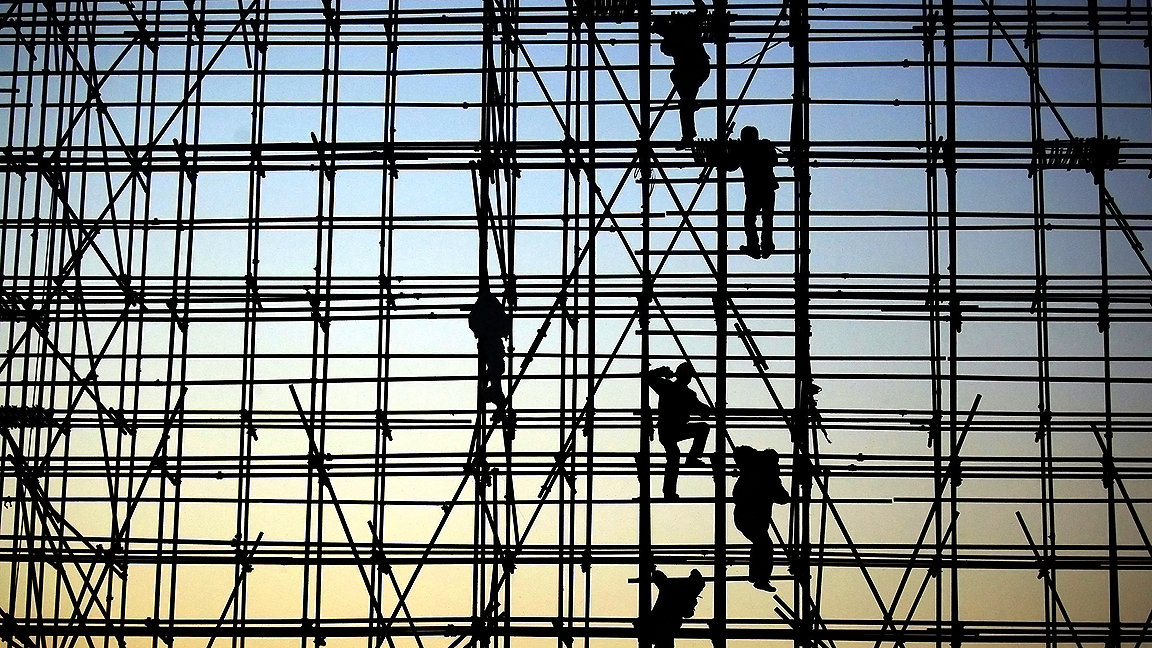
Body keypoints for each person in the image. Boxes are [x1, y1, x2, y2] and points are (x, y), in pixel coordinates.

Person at [644, 362, 711, 499]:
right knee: (703, 428)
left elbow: (647, 376)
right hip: (677, 429)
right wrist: (711, 409)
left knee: (674, 456)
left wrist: (661, 371)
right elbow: (703, 412)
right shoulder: (687, 393)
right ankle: (692, 458)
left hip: (665, 430)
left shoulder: (666, 386)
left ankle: (668, 492)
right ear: (689, 378)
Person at [732, 446, 789, 591]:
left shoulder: (752, 473)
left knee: (760, 544)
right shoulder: (765, 475)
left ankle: (755, 576)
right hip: (750, 518)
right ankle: (761, 579)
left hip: (744, 517)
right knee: (764, 545)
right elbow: (782, 497)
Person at [652, 12, 710, 145]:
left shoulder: (681, 28)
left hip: (694, 70)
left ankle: (689, 131)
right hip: (697, 69)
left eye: (660, 32)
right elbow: (702, 12)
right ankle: (690, 106)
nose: (661, 35)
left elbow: (702, 12)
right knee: (685, 102)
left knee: (684, 99)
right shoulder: (681, 30)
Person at [726, 125, 780, 258]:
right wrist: (769, 147)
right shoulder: (763, 146)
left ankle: (754, 247)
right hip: (768, 187)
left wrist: (731, 150)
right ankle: (766, 247)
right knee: (767, 218)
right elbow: (774, 161)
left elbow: (730, 166)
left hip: (753, 190)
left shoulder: (742, 149)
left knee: (749, 220)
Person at [468, 291, 512, 408]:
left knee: (496, 365)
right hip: (490, 341)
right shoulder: (489, 305)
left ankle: (494, 390)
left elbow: (472, 322)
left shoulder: (487, 305)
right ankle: (494, 390)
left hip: (489, 341)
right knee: (496, 365)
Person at [646, 568, 705, 648]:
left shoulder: (670, 586)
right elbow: (687, 613)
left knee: (664, 640)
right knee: (665, 641)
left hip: (659, 624)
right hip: (665, 625)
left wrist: (653, 570)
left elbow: (659, 577)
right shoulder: (685, 593)